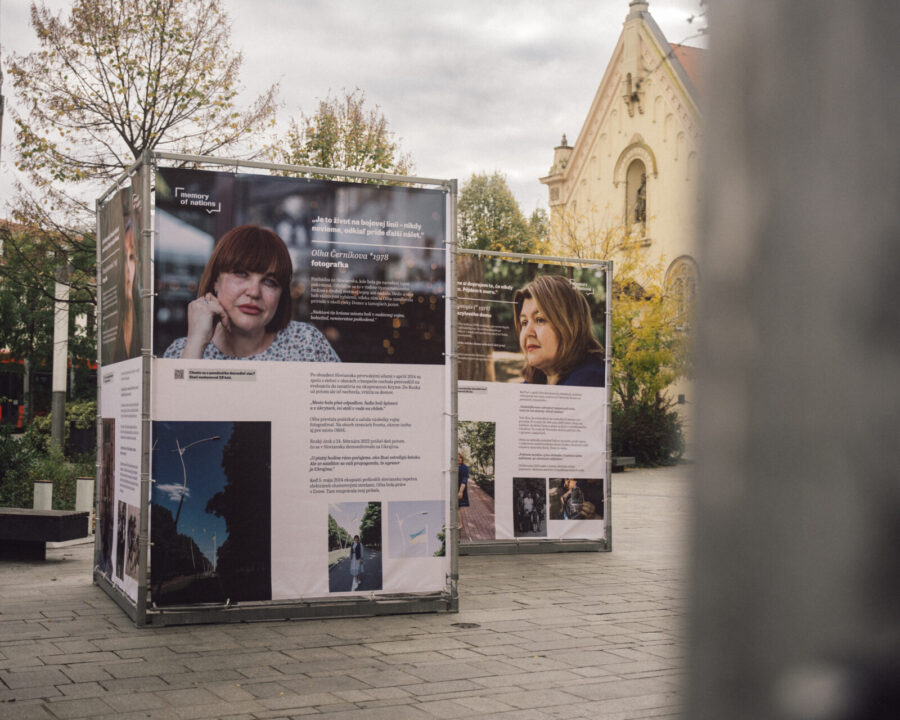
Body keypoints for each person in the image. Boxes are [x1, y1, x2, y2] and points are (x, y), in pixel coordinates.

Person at [163, 225, 340, 361]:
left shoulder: (307, 344)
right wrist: (196, 343)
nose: (254, 292)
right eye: (241, 274)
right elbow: (176, 408)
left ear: (281, 294)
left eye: (270, 282)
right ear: (216, 281)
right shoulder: (181, 352)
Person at [513, 274, 605, 387]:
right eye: (524, 323)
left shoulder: (590, 378)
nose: (527, 333)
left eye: (540, 320)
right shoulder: (536, 378)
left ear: (570, 324)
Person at [457, 452, 470, 531]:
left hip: (459, 490)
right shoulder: (454, 466)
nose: (458, 459)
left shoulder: (464, 468)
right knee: (455, 507)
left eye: (460, 457)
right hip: (453, 490)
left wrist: (461, 491)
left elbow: (464, 480)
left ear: (462, 459)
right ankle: (458, 523)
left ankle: (460, 524)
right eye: (457, 457)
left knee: (457, 507)